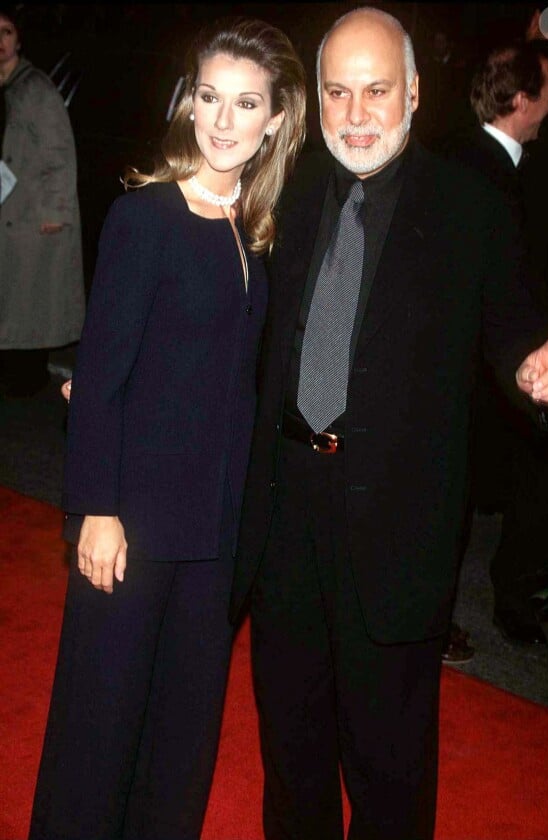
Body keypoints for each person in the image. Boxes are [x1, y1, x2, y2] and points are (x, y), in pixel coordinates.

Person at [228, 8, 548, 839]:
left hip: (399, 535)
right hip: (284, 524)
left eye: (376, 90)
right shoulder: (290, 188)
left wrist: (538, 369)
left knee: (390, 767)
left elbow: (516, 327)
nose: (355, 114)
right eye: (337, 92)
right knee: (292, 753)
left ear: (414, 92)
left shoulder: (470, 207)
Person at [28, 17, 306, 840]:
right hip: (134, 524)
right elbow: (99, 376)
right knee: (100, 723)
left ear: (277, 119)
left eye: (246, 102)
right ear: (190, 104)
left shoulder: (257, 230)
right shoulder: (146, 216)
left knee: (183, 735)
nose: (223, 120)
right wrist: (98, 510)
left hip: (214, 536)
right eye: (210, 97)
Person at [459, 41, 548, 645]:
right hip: (484, 379)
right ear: (522, 101)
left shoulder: (503, 164)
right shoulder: (485, 175)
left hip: (500, 372)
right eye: (547, 92)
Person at [0, 4, 85, 398]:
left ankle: (26, 382)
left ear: (19, 39)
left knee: (27, 302)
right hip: (8, 209)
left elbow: (60, 155)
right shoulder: (7, 86)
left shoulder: (35, 88)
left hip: (30, 212)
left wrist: (55, 212)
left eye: (6, 32)